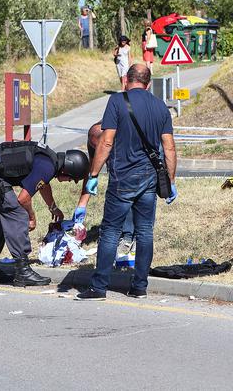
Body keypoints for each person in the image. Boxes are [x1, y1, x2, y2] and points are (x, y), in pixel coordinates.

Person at [76, 64, 178, 301]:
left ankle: (99, 286)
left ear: (125, 80)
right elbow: (169, 147)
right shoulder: (161, 107)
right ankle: (140, 286)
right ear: (149, 83)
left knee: (110, 231)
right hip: (150, 179)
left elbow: (106, 142)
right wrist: (171, 180)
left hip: (122, 177)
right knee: (145, 232)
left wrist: (93, 175)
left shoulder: (116, 102)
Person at [0, 141, 90, 287]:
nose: (69, 181)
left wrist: (52, 207)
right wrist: (31, 217)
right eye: (71, 178)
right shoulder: (47, 167)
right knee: (18, 215)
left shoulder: (49, 159)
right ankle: (23, 272)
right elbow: (23, 198)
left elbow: (42, 184)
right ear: (67, 170)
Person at [72, 122, 135, 243]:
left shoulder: (123, 138)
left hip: (132, 169)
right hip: (116, 171)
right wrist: (82, 205)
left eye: (102, 147)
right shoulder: (93, 139)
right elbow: (91, 170)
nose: (100, 152)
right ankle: (115, 232)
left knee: (127, 197)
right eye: (96, 147)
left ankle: (129, 236)